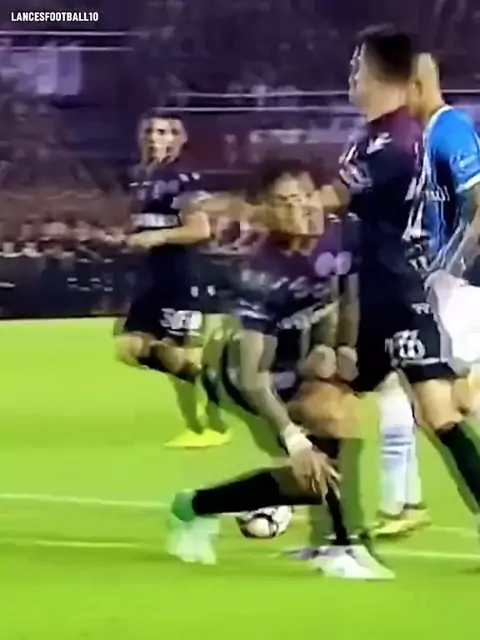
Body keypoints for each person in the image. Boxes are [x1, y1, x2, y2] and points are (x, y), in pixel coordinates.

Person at [168, 159, 393, 579]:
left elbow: (345, 296)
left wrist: (338, 345)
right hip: (245, 377)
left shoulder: (341, 234)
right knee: (322, 440)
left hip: (298, 359)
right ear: (266, 212)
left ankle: (194, 506)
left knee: (315, 465)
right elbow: (251, 375)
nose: (299, 208)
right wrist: (293, 438)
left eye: (304, 196)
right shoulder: (259, 275)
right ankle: (339, 547)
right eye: (284, 202)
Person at [373, 50, 480, 537]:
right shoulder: (423, 138)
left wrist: (448, 271)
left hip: (461, 289)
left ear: (413, 87)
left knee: (455, 400)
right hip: (438, 287)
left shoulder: (449, 130)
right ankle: (405, 503)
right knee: (433, 405)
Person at [115, 109, 226, 447]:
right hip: (153, 277)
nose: (154, 138)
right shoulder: (144, 178)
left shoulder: (184, 178)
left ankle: (210, 425)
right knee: (132, 349)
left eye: (163, 132)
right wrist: (130, 236)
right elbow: (150, 224)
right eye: (149, 131)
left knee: (173, 352)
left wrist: (156, 237)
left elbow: (200, 229)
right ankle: (210, 400)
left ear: (179, 139)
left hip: (180, 277)